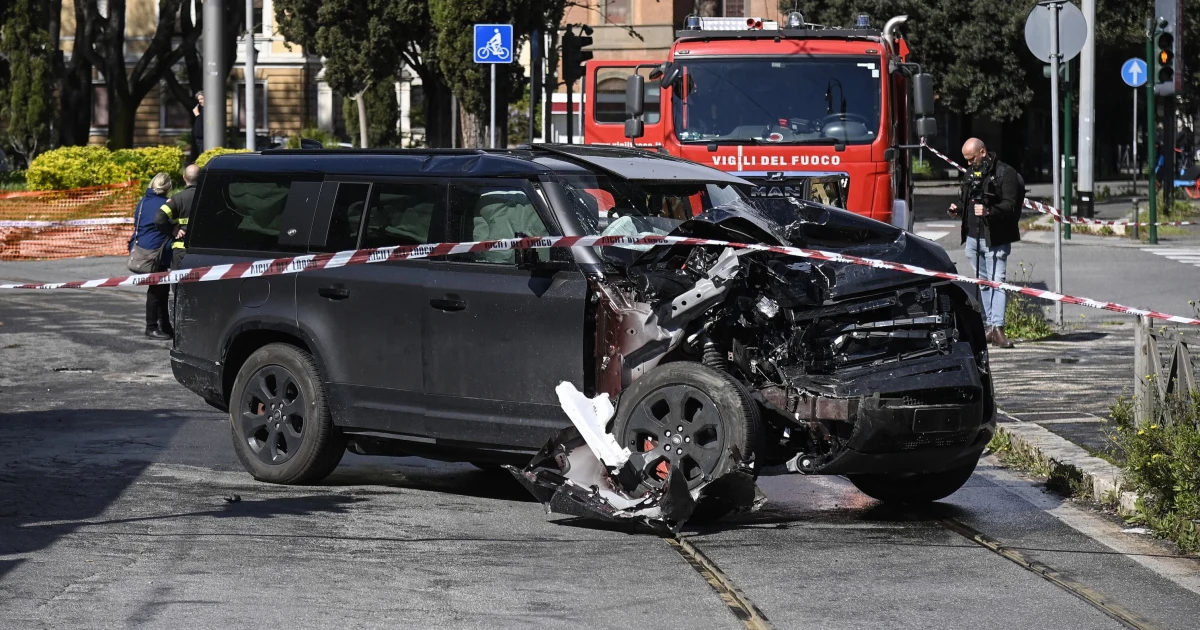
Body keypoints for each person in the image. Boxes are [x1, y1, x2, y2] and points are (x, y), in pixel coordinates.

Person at [948, 138, 1022, 349]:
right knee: (983, 283)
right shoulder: (970, 173)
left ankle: (998, 328)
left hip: (995, 237)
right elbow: (966, 202)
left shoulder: (1005, 173)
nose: (969, 163)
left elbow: (1010, 204)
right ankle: (989, 326)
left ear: (983, 152)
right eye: (966, 160)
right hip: (973, 237)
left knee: (997, 281)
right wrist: (957, 210)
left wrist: (990, 211)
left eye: (972, 158)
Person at [131, 173, 174, 340]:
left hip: (143, 249)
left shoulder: (142, 203)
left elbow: (137, 223)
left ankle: (165, 325)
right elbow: (168, 223)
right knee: (157, 290)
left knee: (160, 289)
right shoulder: (165, 204)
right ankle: (152, 326)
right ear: (168, 187)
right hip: (157, 252)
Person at [156, 164, 200, 270]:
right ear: (202, 177)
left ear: (184, 177)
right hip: (202, 252)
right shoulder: (209, 198)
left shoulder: (177, 198)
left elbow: (159, 218)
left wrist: (172, 230)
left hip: (181, 253)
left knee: (179, 285)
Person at [191, 91, 205, 163]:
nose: (200, 101)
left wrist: (197, 114)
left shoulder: (208, 110)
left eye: (202, 99)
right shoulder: (202, 109)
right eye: (199, 99)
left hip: (203, 140)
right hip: (199, 140)